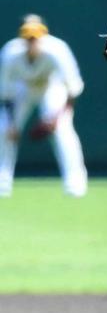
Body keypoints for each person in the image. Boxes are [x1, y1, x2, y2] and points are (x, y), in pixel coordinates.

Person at [0, 14, 87, 197]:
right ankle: (2, 181)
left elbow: (73, 87)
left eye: (36, 37)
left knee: (63, 130)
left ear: (43, 35)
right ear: (22, 37)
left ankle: (75, 183)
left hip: (50, 86)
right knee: (4, 129)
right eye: (28, 37)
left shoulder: (57, 50)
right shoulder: (10, 53)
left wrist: (58, 117)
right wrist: (12, 123)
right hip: (22, 89)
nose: (32, 41)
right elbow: (6, 91)